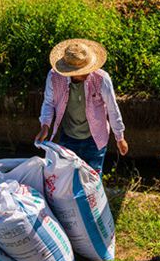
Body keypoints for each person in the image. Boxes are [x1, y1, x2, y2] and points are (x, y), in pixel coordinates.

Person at [35, 39, 128, 174]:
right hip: (68, 138)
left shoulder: (101, 78)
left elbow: (113, 109)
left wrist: (120, 137)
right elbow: (48, 103)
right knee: (67, 179)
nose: (88, 72)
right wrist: (45, 127)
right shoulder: (54, 77)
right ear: (70, 71)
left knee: (92, 180)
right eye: (82, 71)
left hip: (95, 140)